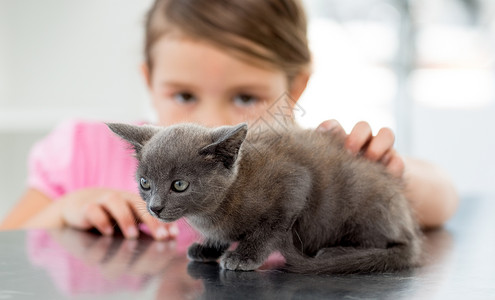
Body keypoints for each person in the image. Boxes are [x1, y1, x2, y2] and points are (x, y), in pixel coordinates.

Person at [0, 0, 458, 240]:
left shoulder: (300, 165)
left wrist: (379, 171)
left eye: (245, 97)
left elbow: (442, 198)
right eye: (183, 95)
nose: (210, 121)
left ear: (294, 89)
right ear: (149, 79)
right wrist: (63, 212)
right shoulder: (86, 149)